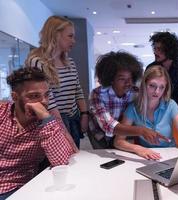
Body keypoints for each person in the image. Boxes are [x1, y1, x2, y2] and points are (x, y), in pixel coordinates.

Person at [0, 67, 75, 200]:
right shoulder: (2, 112)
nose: (44, 101)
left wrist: (46, 117)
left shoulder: (48, 121)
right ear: (15, 97)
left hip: (18, 187)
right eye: (34, 96)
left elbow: (61, 162)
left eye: (46, 95)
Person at [26, 16, 88, 149]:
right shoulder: (37, 62)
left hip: (73, 118)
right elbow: (49, 101)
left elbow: (78, 90)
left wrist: (84, 114)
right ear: (55, 35)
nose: (74, 41)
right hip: (53, 121)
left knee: (73, 160)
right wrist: (64, 134)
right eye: (70, 36)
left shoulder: (69, 62)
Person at [114, 65, 178, 160]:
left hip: (170, 154)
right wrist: (138, 149)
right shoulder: (133, 108)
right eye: (152, 85)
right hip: (147, 156)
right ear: (144, 84)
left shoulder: (171, 105)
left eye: (161, 87)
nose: (157, 91)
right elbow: (118, 141)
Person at [89, 51, 169, 149]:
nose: (128, 83)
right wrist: (141, 130)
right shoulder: (98, 94)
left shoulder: (135, 92)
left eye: (130, 78)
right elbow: (109, 126)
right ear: (111, 79)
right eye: (122, 79)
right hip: (100, 135)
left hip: (125, 135)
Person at [147, 32, 178, 118]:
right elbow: (146, 92)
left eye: (159, 49)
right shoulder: (151, 68)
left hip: (177, 111)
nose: (155, 52)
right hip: (155, 113)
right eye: (154, 48)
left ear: (169, 50)